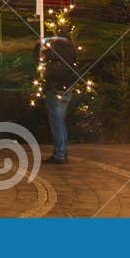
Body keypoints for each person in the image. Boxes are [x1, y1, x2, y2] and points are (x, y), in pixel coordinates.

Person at [40, 33, 81, 165]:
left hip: (55, 91)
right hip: (67, 90)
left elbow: (50, 72)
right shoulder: (71, 51)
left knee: (57, 123)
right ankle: (62, 152)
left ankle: (59, 154)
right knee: (61, 122)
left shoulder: (56, 53)